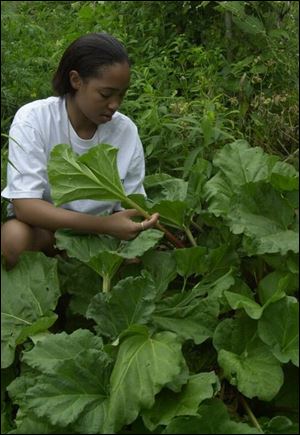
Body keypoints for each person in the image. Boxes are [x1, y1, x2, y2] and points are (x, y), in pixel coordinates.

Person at [1, 32, 159, 268]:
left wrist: (129, 228)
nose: (114, 105)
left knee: (138, 257)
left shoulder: (125, 131)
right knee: (13, 240)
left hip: (104, 240)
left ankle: (81, 276)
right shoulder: (34, 119)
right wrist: (103, 225)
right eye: (105, 94)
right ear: (76, 80)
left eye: (121, 95)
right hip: (50, 234)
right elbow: (25, 205)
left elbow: (132, 203)